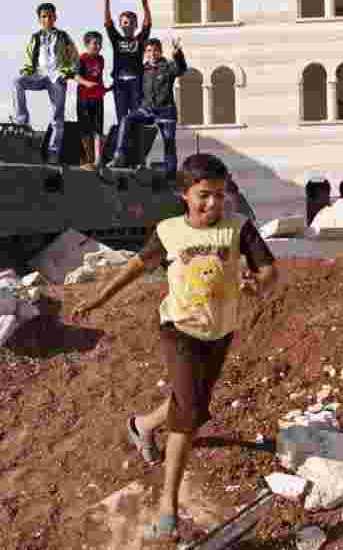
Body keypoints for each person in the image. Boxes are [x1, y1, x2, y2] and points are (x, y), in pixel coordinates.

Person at [71, 153, 278, 543]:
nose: (213, 203)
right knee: (190, 415)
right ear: (185, 194)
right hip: (179, 330)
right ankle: (168, 508)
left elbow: (269, 270)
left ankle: (142, 426)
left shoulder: (239, 228)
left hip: (220, 332)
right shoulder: (169, 232)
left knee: (189, 398)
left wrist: (258, 284)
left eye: (220, 195)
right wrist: (99, 298)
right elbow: (135, 266)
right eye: (204, 195)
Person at [108, 37, 186, 173]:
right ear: (145, 53)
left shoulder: (168, 66)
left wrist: (177, 54)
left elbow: (181, 69)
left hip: (166, 112)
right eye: (149, 51)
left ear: (160, 52)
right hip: (147, 110)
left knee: (169, 142)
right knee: (126, 119)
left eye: (155, 50)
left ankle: (170, 175)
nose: (152, 53)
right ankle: (119, 155)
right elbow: (128, 78)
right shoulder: (142, 69)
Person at [14, 2, 79, 164]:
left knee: (58, 116)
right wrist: (27, 71)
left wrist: (66, 73)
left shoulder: (63, 36)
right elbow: (29, 57)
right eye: (44, 16)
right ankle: (22, 123)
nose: (47, 19)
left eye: (50, 16)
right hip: (39, 75)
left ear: (55, 17)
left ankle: (53, 153)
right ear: (39, 19)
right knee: (18, 81)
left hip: (57, 77)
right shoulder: (35, 37)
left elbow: (75, 58)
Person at [103, 0, 152, 125]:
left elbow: (147, 25)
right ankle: (122, 138)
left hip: (136, 82)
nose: (128, 24)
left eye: (131, 22)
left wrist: (145, 4)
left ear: (136, 25)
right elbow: (108, 23)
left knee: (137, 116)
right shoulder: (117, 40)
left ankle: (137, 137)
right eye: (125, 22)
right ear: (120, 25)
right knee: (122, 118)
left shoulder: (139, 40)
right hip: (120, 84)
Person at [75, 31, 109, 168]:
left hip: (97, 98)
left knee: (98, 129)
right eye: (95, 43)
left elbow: (98, 78)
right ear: (87, 44)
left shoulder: (101, 59)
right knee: (85, 129)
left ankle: (97, 160)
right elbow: (76, 76)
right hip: (84, 98)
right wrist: (86, 83)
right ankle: (87, 159)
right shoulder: (81, 59)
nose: (98, 46)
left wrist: (103, 89)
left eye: (100, 43)